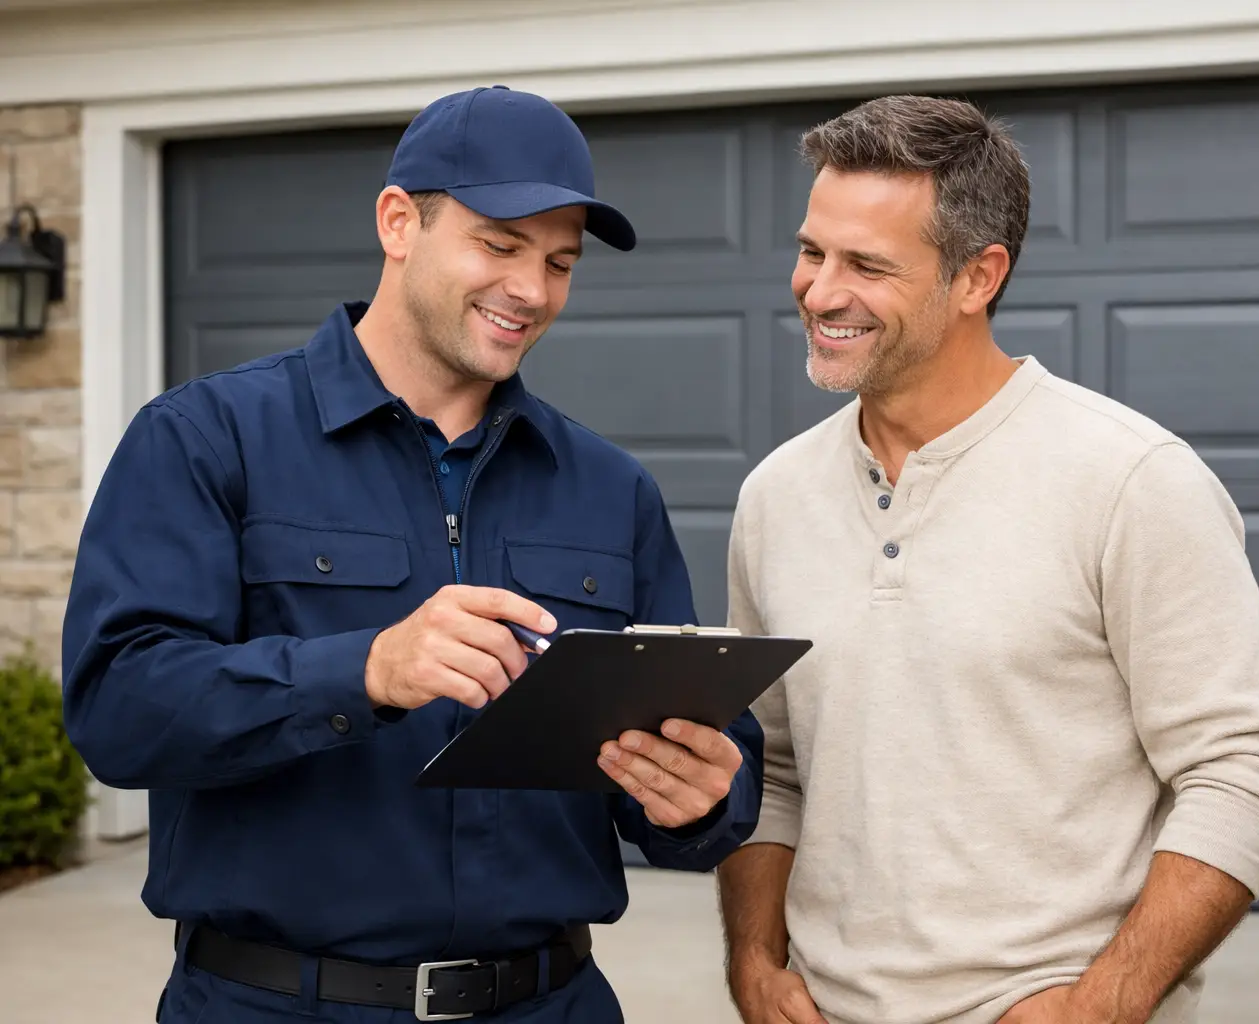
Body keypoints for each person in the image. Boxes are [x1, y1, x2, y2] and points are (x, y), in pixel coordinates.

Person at [61, 85, 765, 1024]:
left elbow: (692, 777)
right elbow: (118, 709)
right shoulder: (206, 438)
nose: (532, 289)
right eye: (499, 244)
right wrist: (364, 669)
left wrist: (702, 798)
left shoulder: (609, 486)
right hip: (277, 1005)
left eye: (560, 261)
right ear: (400, 222)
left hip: (549, 1005)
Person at [714, 94, 1259, 1024]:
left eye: (867, 264)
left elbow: (1244, 772)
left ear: (976, 276)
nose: (820, 291)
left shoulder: (1129, 480)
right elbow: (774, 769)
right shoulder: (775, 496)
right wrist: (754, 962)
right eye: (811, 251)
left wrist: (1102, 1004)